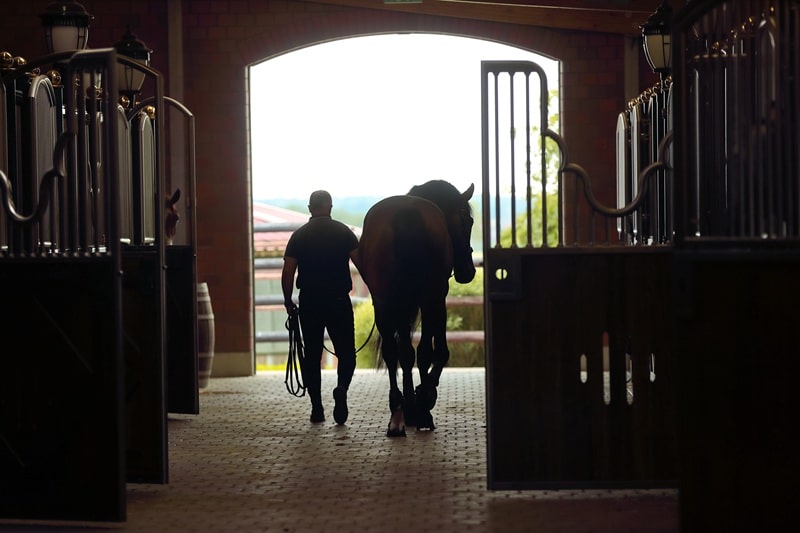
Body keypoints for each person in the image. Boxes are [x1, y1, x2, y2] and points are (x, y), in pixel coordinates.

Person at [281, 190, 361, 424]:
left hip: (310, 302)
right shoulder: (344, 232)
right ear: (331, 207)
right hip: (338, 300)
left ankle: (317, 408)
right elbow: (362, 264)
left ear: (309, 208)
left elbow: (287, 273)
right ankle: (342, 388)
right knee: (347, 353)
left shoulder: (299, 236)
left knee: (312, 355)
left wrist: (288, 301)